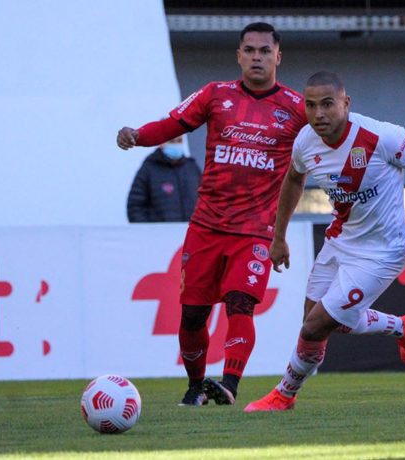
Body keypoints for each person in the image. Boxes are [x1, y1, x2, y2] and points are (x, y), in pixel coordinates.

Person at [117, 22, 307, 406]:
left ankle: (230, 384)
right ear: (238, 55)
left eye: (265, 51)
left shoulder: (297, 108)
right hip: (206, 226)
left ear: (278, 57)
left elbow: (327, 143)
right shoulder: (215, 95)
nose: (257, 57)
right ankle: (195, 386)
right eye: (250, 50)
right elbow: (172, 123)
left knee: (241, 304)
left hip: (255, 231)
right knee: (192, 317)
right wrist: (138, 135)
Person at [244, 71, 405, 412]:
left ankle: (283, 395)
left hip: (385, 250)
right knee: (320, 322)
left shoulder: (381, 136)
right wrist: (278, 237)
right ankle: (402, 326)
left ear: (346, 104)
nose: (318, 114)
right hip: (341, 239)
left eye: (327, 105)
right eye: (310, 105)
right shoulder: (305, 141)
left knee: (315, 326)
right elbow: (293, 179)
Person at [127, 136, 201, 222]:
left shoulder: (191, 167)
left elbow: (206, 199)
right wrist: (148, 231)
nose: (176, 144)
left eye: (179, 141)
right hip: (160, 234)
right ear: (161, 143)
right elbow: (135, 207)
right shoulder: (149, 169)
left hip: (191, 232)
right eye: (172, 141)